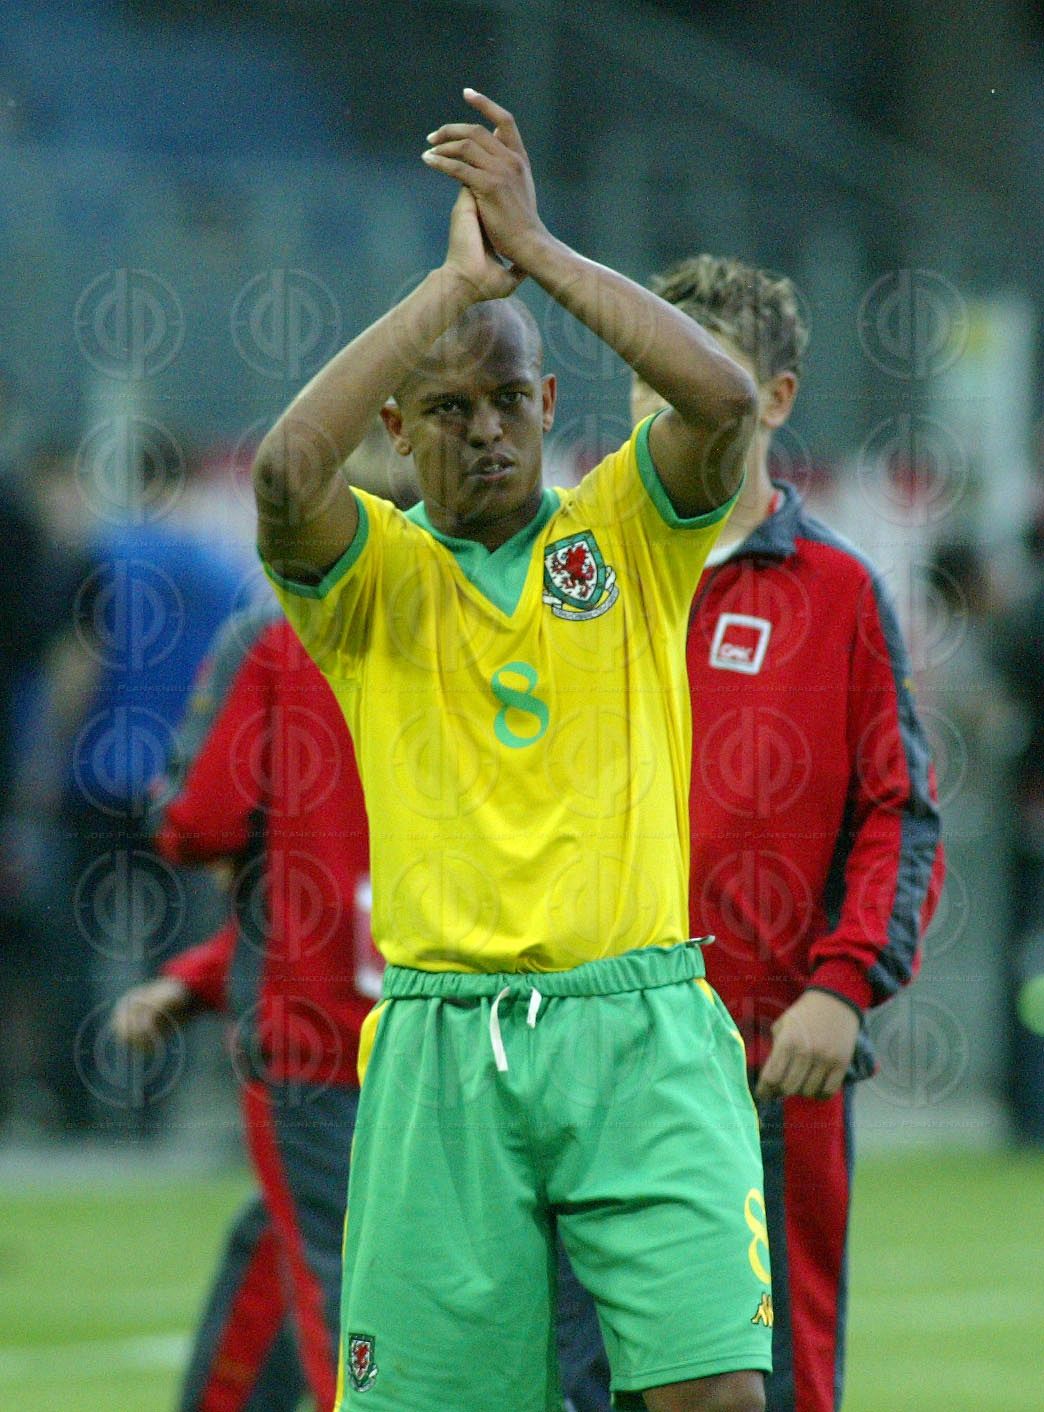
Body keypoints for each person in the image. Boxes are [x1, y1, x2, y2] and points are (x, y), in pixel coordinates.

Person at [254, 88, 770, 1412]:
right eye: (446, 408)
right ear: (399, 432)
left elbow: (720, 403)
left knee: (712, 1391)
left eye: (506, 399)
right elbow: (282, 477)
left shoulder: (628, 536)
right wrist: (447, 295)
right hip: (444, 1044)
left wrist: (535, 251)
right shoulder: (373, 582)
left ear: (548, 401)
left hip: (643, 1026)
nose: (483, 429)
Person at [562, 254, 944, 1412]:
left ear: (773, 399)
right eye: (647, 373)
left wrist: (842, 986)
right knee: (568, 1382)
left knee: (768, 1384)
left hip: (769, 1068)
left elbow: (899, 810)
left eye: (701, 373)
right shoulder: (576, 576)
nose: (666, 398)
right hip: (579, 1065)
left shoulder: (837, 594)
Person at [113, 602, 374, 1411]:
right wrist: (199, 974)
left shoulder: (281, 630)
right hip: (488, 1034)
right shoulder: (493, 611)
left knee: (349, 1305)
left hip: (321, 1040)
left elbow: (198, 819)